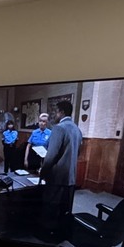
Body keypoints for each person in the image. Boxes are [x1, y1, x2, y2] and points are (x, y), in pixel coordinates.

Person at [38, 100, 82, 238]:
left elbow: (51, 156)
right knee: (65, 209)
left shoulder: (59, 128)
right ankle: (60, 235)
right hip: (71, 177)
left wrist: (42, 172)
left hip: (57, 178)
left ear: (62, 112)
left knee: (51, 209)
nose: (54, 115)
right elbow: (77, 153)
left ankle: (47, 236)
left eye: (56, 112)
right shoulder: (77, 129)